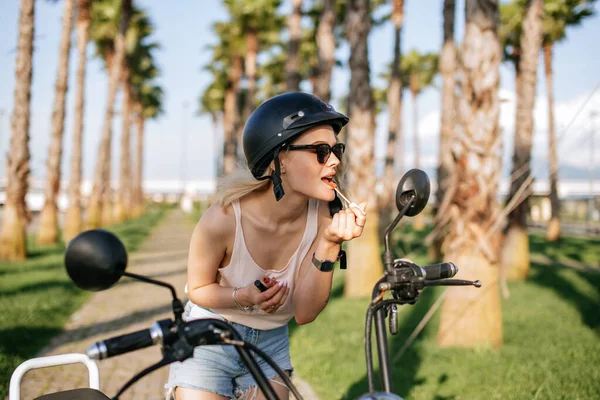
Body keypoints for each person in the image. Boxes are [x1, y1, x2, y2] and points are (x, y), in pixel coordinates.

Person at [165, 92, 367, 400]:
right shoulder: (222, 219)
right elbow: (198, 290)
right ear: (280, 159)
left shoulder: (325, 218)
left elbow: (304, 313)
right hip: (209, 335)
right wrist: (242, 296)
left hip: (270, 343)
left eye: (336, 149)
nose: (335, 160)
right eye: (321, 151)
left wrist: (329, 243)